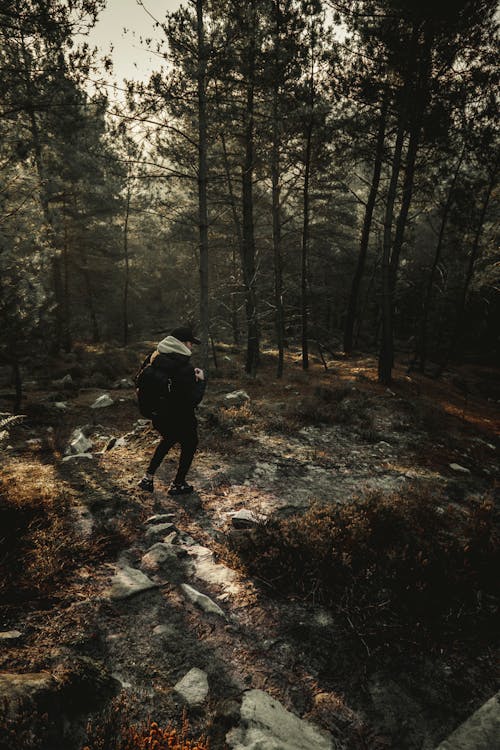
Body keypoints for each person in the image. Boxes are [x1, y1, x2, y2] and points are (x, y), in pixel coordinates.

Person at [138, 326, 205, 495]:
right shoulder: (184, 368)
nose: (191, 347)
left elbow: (139, 382)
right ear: (182, 343)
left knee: (168, 439)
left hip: (158, 414)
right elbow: (192, 399)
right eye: (190, 343)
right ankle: (178, 484)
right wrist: (200, 381)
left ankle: (147, 478)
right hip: (181, 417)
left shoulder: (153, 357)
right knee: (190, 443)